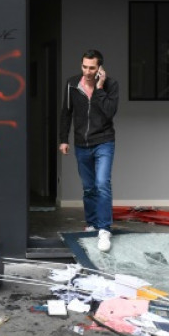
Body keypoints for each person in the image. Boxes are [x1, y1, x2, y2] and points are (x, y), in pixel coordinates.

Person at [59, 49, 119, 252]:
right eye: (84, 66)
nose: (87, 71)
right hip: (81, 144)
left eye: (91, 68)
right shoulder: (71, 84)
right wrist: (63, 140)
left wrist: (100, 88)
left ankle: (104, 229)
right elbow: (66, 113)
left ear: (99, 68)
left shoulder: (111, 85)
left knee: (102, 184)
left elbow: (110, 112)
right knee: (88, 188)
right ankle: (92, 223)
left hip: (104, 142)